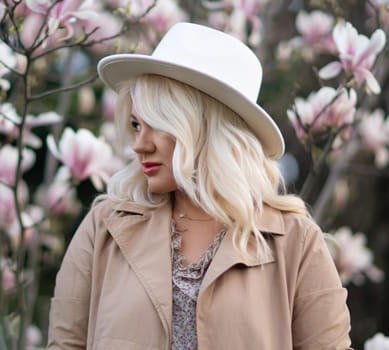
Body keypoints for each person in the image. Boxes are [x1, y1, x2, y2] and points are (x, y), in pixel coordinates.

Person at [47, 22, 352, 350]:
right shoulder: (104, 228)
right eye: (137, 125)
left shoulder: (296, 243)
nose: (140, 144)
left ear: (209, 130)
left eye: (159, 124)